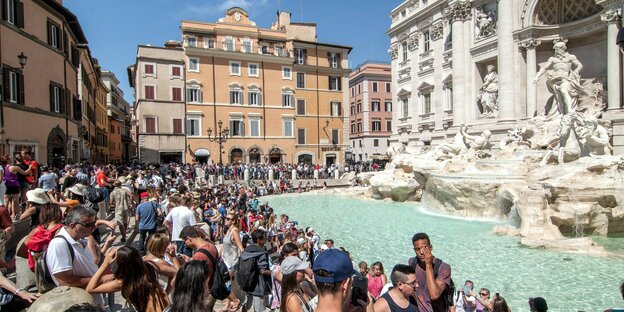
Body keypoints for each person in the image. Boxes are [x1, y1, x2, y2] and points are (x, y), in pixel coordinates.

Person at [45, 205, 106, 306]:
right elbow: (65, 281)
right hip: (80, 304)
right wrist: (100, 280)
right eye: (89, 225)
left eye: (94, 224)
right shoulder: (59, 244)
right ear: (74, 226)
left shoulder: (82, 239)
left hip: (93, 301)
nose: (94, 228)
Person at [86, 246, 169, 312]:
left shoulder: (124, 282)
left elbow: (90, 288)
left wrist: (105, 263)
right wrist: (165, 292)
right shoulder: (150, 266)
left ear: (121, 266)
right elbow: (175, 272)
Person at [532, 41, 584, 116]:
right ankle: (561, 113)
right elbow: (544, 68)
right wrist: (537, 77)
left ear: (563, 49)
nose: (556, 51)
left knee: (563, 90)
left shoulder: (571, 57)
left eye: (558, 49)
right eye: (555, 49)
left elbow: (580, 65)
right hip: (555, 80)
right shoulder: (552, 59)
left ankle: (570, 111)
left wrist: (576, 71)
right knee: (558, 97)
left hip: (566, 79)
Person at [179, 226, 219, 311]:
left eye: (184, 241)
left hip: (204, 291)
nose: (185, 244)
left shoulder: (199, 255)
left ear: (189, 239)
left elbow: (197, 277)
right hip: (212, 288)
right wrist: (190, 260)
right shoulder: (210, 245)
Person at [410, 232, 451, 312]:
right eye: (417, 249)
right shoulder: (412, 262)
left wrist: (428, 264)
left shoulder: (443, 267)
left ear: (430, 248)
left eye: (424, 248)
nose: (421, 252)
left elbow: (434, 295)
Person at [240, 229, 272, 312]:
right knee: (259, 309)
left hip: (246, 283)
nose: (265, 240)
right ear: (259, 240)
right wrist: (272, 272)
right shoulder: (262, 252)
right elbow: (263, 270)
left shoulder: (246, 250)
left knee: (246, 305)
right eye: (264, 238)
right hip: (258, 285)